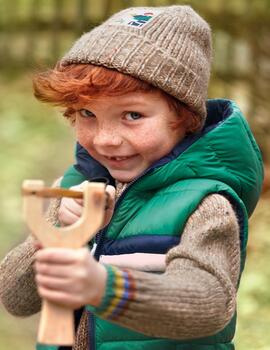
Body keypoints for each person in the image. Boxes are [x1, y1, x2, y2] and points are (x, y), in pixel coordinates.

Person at [0, 5, 264, 350]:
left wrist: (102, 287)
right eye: (87, 113)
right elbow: (16, 298)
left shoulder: (206, 204)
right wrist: (60, 232)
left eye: (133, 115)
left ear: (184, 118)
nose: (105, 138)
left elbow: (209, 303)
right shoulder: (79, 189)